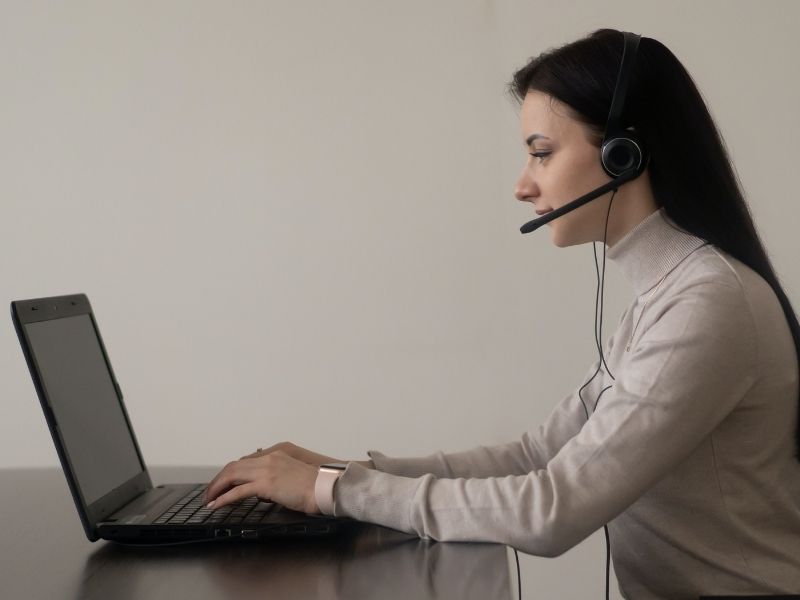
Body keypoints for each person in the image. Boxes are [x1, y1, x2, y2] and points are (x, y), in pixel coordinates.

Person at [204, 28, 800, 598]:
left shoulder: (706, 305)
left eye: (541, 154)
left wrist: (333, 491)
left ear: (624, 157)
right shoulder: (667, 299)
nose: (523, 185)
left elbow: (553, 510)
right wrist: (341, 471)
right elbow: (535, 455)